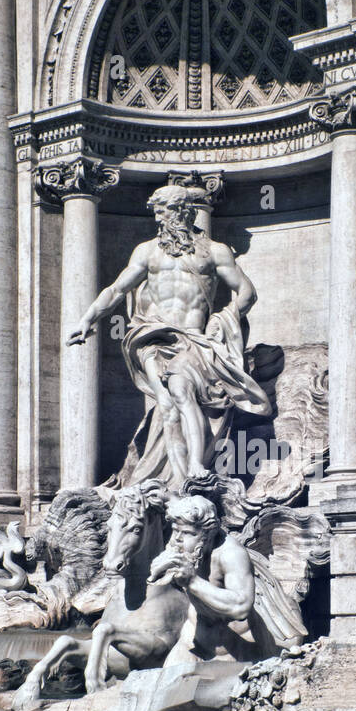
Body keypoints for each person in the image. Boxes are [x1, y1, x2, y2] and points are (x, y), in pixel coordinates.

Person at [67, 183, 271, 487]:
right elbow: (117, 290)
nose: (159, 219)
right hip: (152, 336)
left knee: (181, 391)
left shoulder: (215, 252)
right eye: (157, 213)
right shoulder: (147, 252)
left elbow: (247, 293)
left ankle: (193, 467)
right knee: (165, 402)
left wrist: (223, 318)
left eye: (163, 211)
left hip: (192, 339)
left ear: (183, 211)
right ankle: (176, 479)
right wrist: (87, 319)